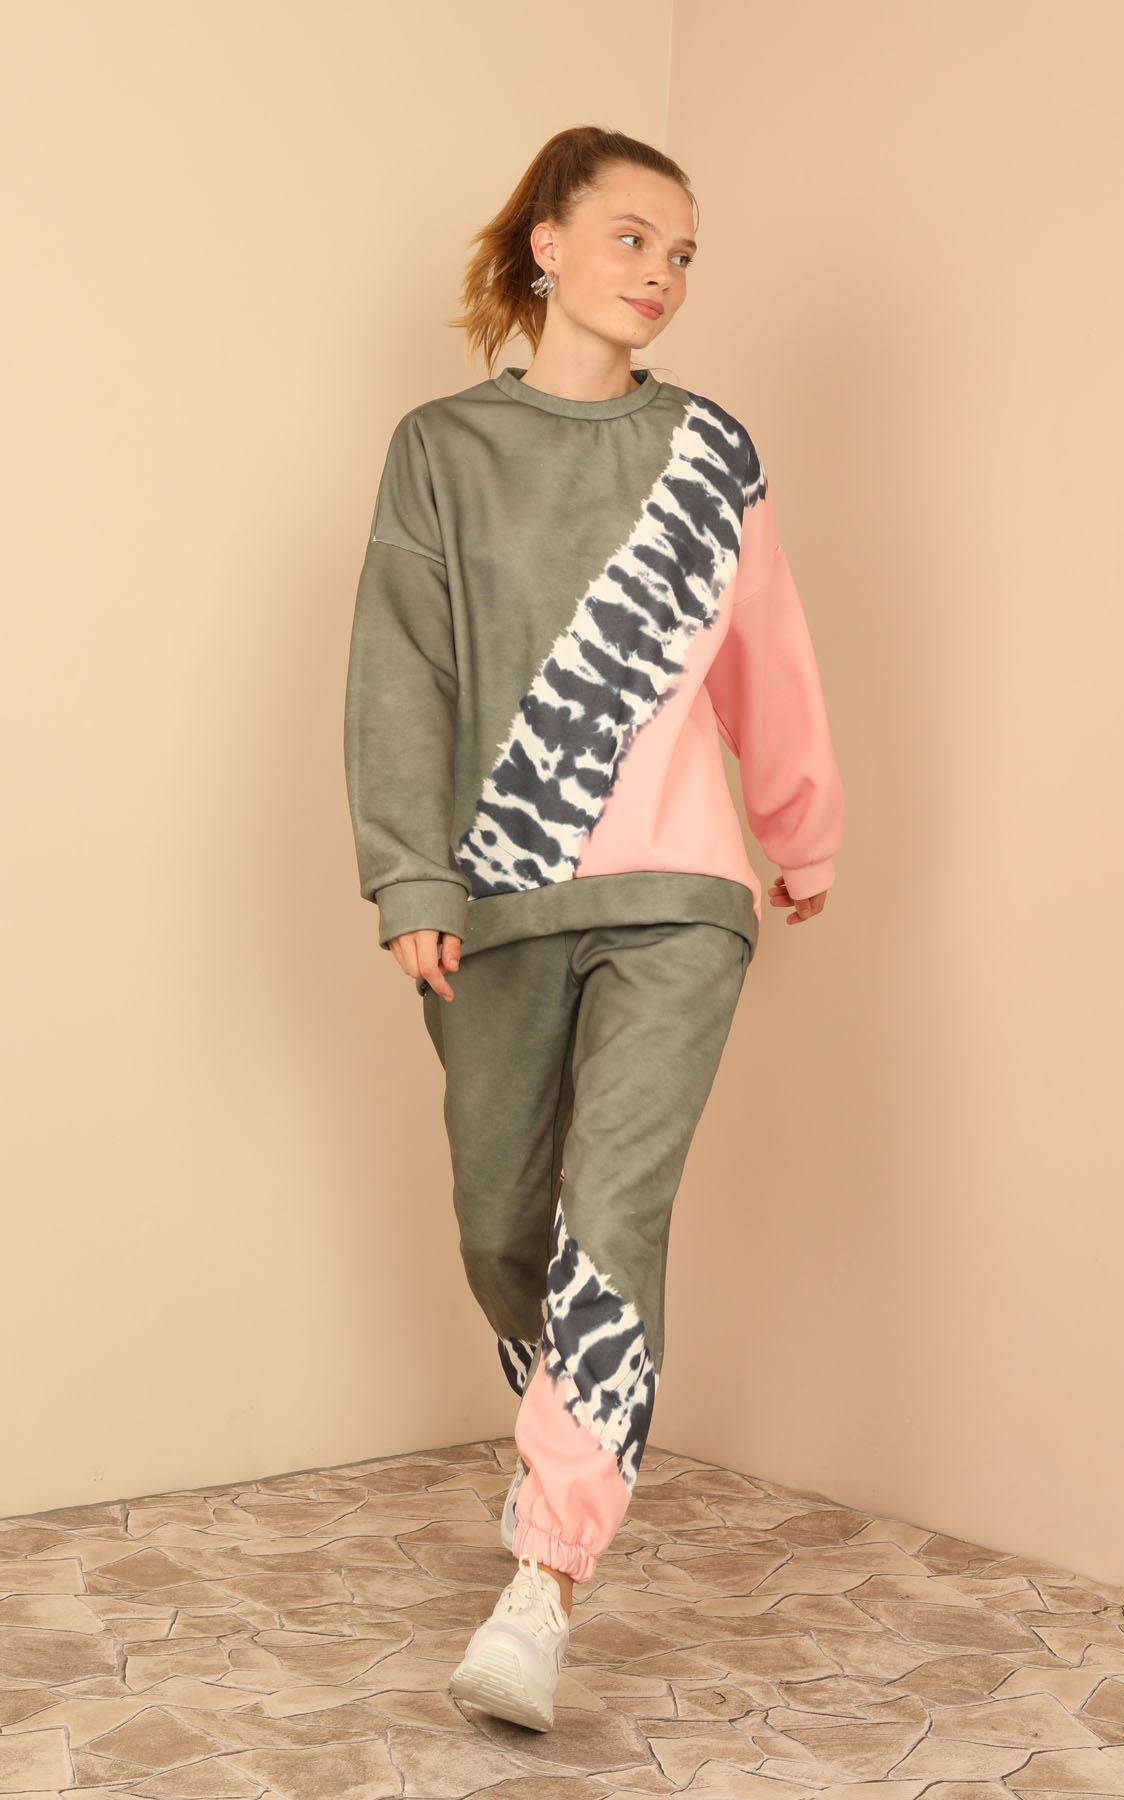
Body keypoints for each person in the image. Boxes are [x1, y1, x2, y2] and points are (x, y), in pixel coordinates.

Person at [343, 124, 845, 1732]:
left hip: (680, 899)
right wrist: (411, 877)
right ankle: (570, 1432)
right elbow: (403, 664)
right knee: (503, 1228)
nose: (662, 273)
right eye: (633, 237)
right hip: (494, 895)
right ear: (547, 244)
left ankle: (542, 1585)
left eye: (684, 253)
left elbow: (768, 650)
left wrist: (800, 828)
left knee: (612, 1216)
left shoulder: (709, 452)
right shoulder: (441, 448)